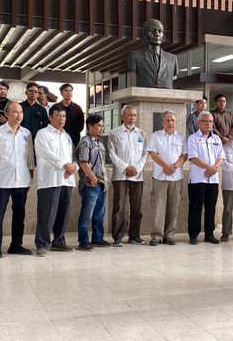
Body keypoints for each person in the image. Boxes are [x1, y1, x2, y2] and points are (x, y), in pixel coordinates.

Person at [0, 102, 35, 259]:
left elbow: (30, 159)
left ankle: (16, 245)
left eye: (20, 112)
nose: (18, 115)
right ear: (6, 114)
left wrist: (29, 178)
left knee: (19, 215)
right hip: (2, 181)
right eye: (15, 112)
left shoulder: (26, 133)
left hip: (22, 180)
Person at [33, 104, 78, 256]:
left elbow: (74, 156)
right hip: (49, 180)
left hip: (67, 180)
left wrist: (73, 168)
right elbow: (46, 153)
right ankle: (42, 243)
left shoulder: (66, 136)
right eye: (58, 115)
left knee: (63, 213)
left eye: (64, 116)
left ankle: (59, 241)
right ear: (50, 117)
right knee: (47, 214)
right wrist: (65, 165)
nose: (61, 119)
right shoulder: (42, 134)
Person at [108, 105, 148, 246]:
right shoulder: (114, 133)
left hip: (137, 176)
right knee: (119, 207)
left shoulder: (141, 134)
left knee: (136, 207)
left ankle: (134, 236)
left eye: (134, 115)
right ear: (122, 117)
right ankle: (117, 237)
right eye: (129, 115)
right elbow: (112, 154)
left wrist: (136, 168)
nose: (132, 118)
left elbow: (145, 153)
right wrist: (126, 167)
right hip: (121, 176)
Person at [147, 110, 187, 246]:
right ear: (163, 122)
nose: (170, 123)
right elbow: (153, 153)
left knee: (173, 207)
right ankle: (156, 236)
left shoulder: (181, 137)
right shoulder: (156, 136)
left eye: (172, 120)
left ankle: (169, 235)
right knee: (158, 207)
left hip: (176, 177)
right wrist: (166, 166)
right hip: (160, 176)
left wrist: (174, 166)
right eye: (167, 120)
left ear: (176, 122)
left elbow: (185, 155)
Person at [186, 111, 224, 245]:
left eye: (211, 121)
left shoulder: (217, 139)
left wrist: (214, 168)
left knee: (211, 207)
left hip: (212, 179)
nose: (209, 124)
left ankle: (209, 233)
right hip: (197, 179)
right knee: (196, 207)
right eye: (206, 121)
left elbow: (221, 157)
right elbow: (193, 157)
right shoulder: (193, 138)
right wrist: (209, 168)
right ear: (199, 123)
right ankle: (193, 234)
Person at [76, 114, 110, 250]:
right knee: (87, 214)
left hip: (102, 183)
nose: (102, 128)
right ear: (90, 126)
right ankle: (83, 241)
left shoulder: (100, 143)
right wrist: (93, 177)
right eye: (99, 126)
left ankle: (98, 238)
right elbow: (83, 162)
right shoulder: (85, 142)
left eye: (102, 125)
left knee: (99, 213)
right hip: (90, 184)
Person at [128, 19, 179, 89]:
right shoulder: (135, 56)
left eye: (160, 31)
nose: (157, 33)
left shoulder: (172, 58)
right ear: (144, 34)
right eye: (153, 30)